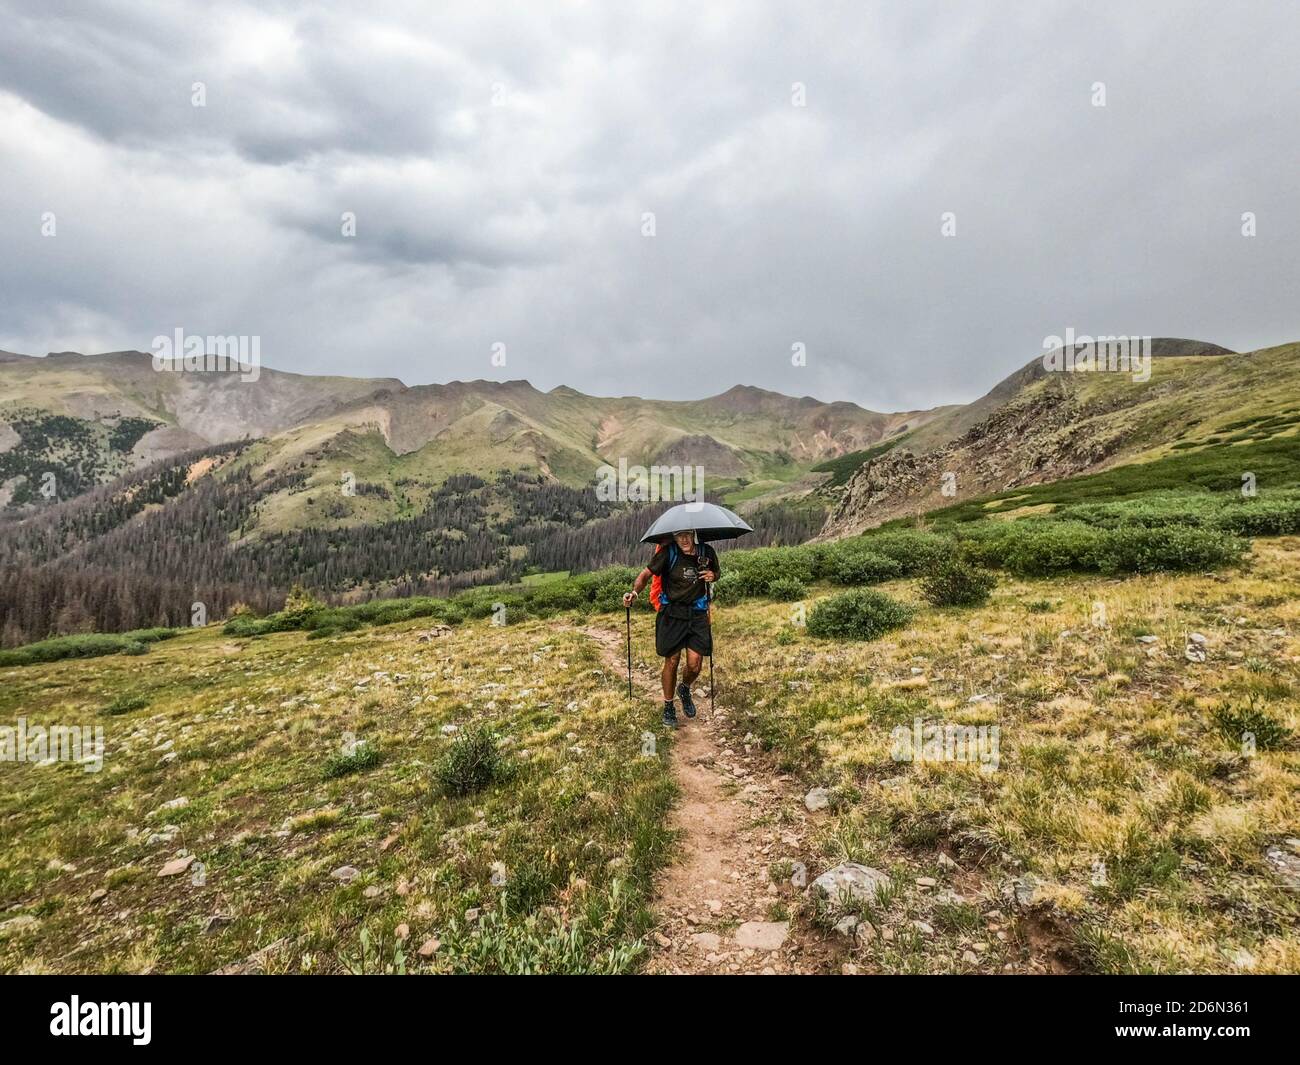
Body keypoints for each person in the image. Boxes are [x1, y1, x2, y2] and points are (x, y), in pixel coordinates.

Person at [622, 529, 719, 727]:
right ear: (674, 537)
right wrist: (634, 593)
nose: (683, 539)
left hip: (697, 614)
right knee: (672, 660)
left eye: (687, 535)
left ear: (693, 534)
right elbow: (645, 574)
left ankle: (684, 688)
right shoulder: (668, 553)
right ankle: (668, 706)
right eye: (679, 535)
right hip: (672, 614)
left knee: (695, 663)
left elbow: (716, 572)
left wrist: (713, 575)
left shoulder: (706, 552)